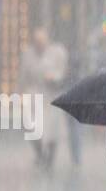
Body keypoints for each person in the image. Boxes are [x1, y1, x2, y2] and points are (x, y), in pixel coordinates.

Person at [18, 27, 69, 171]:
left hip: (51, 96)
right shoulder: (28, 55)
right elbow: (23, 76)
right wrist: (19, 94)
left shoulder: (57, 53)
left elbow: (62, 73)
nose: (39, 44)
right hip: (34, 96)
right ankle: (40, 153)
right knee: (31, 126)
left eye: (42, 41)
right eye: (37, 41)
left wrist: (54, 79)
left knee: (53, 130)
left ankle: (50, 159)